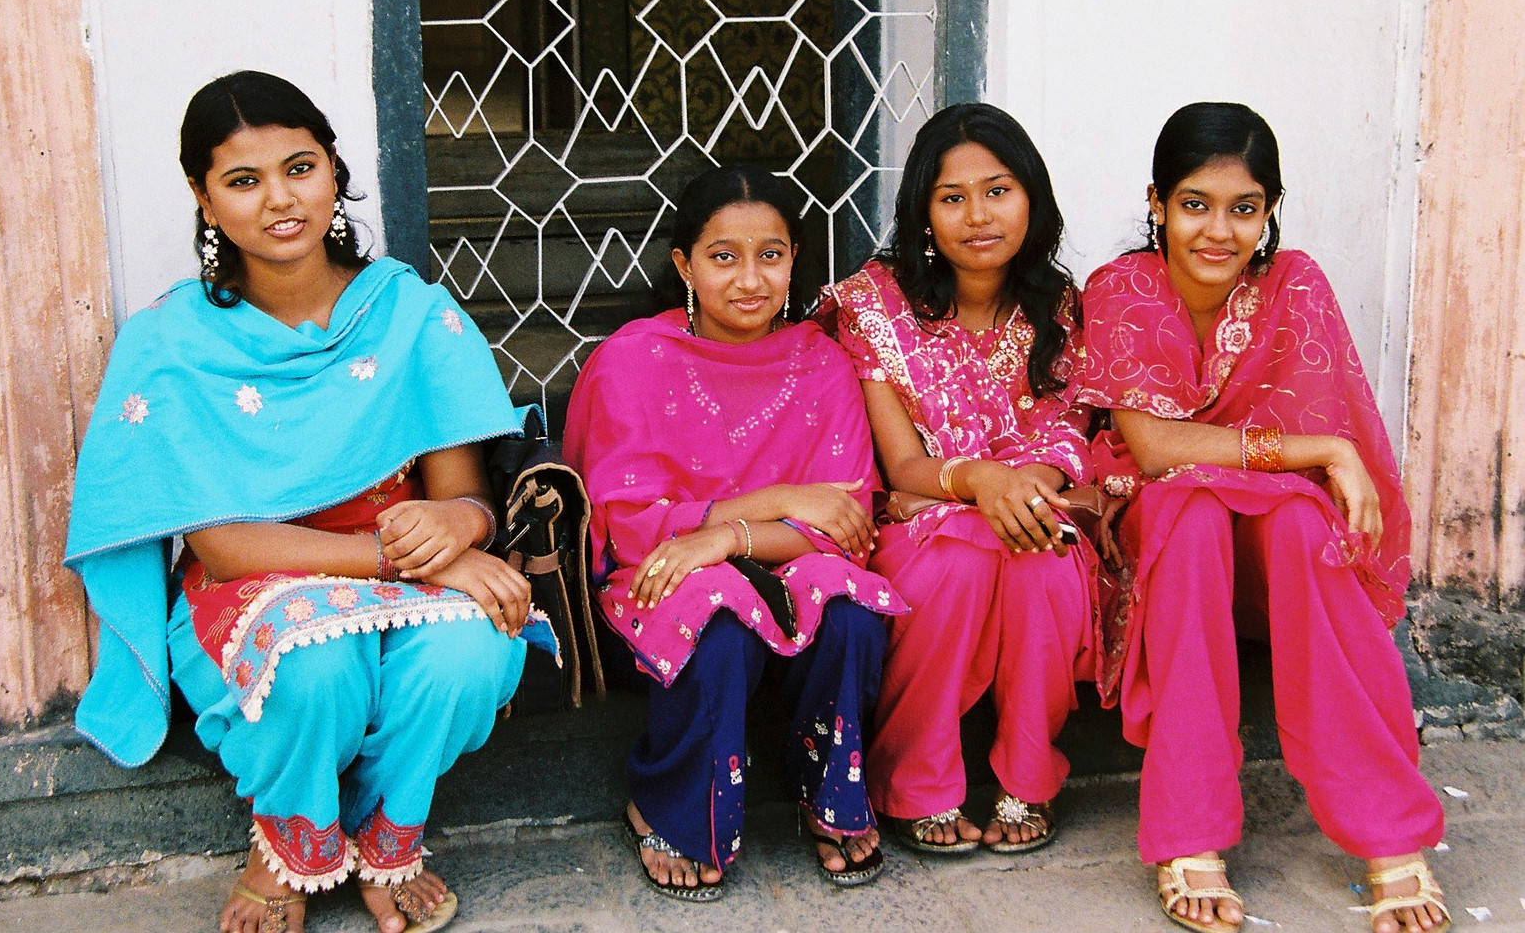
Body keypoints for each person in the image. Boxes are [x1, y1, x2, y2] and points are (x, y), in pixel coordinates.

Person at [64, 71, 554, 933]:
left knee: (474, 649)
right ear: (202, 197)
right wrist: (405, 557)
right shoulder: (171, 343)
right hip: (258, 582)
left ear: (334, 171)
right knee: (316, 662)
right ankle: (287, 839)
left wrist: (458, 525)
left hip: (407, 568)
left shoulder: (406, 313)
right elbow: (223, 551)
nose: (279, 201)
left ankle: (387, 831)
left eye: (300, 168)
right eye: (243, 181)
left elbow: (462, 499)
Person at [1074, 102, 1449, 933]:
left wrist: (1326, 457)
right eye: (1194, 204)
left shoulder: (1294, 284)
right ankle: (1189, 831)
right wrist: (1322, 449)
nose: (1218, 231)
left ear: (1269, 210)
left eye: (1243, 208)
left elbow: (1306, 460)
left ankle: (1387, 833)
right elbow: (1152, 443)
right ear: (1156, 202)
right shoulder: (1121, 287)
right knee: (1193, 503)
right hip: (1164, 531)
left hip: (1271, 544)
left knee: (1299, 528)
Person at [563, 165, 906, 901]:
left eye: (771, 255)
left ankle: (829, 791)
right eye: (723, 257)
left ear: (793, 260)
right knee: (712, 609)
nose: (749, 279)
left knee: (845, 602)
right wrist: (780, 501)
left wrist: (729, 537)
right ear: (684, 264)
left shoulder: (822, 361)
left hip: (773, 570)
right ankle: (673, 807)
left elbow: (844, 527)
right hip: (657, 581)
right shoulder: (631, 360)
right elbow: (629, 526)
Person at [819, 102, 1098, 856]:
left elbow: (1064, 431)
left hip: (1030, 501)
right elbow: (902, 463)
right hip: (916, 514)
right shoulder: (872, 304)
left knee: (1041, 559)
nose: (977, 215)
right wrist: (981, 481)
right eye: (951, 198)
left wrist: (1025, 487)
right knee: (958, 557)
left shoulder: (1059, 309)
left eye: (998, 190)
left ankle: (1028, 775)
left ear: (1031, 198)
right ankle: (912, 779)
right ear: (923, 211)